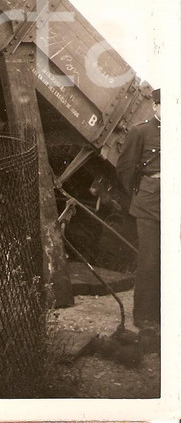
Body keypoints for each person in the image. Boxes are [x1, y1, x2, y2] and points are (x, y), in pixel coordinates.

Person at [116, 88, 160, 333]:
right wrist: (140, 193)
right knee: (149, 259)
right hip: (149, 205)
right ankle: (144, 316)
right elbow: (125, 168)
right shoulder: (140, 131)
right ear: (155, 107)